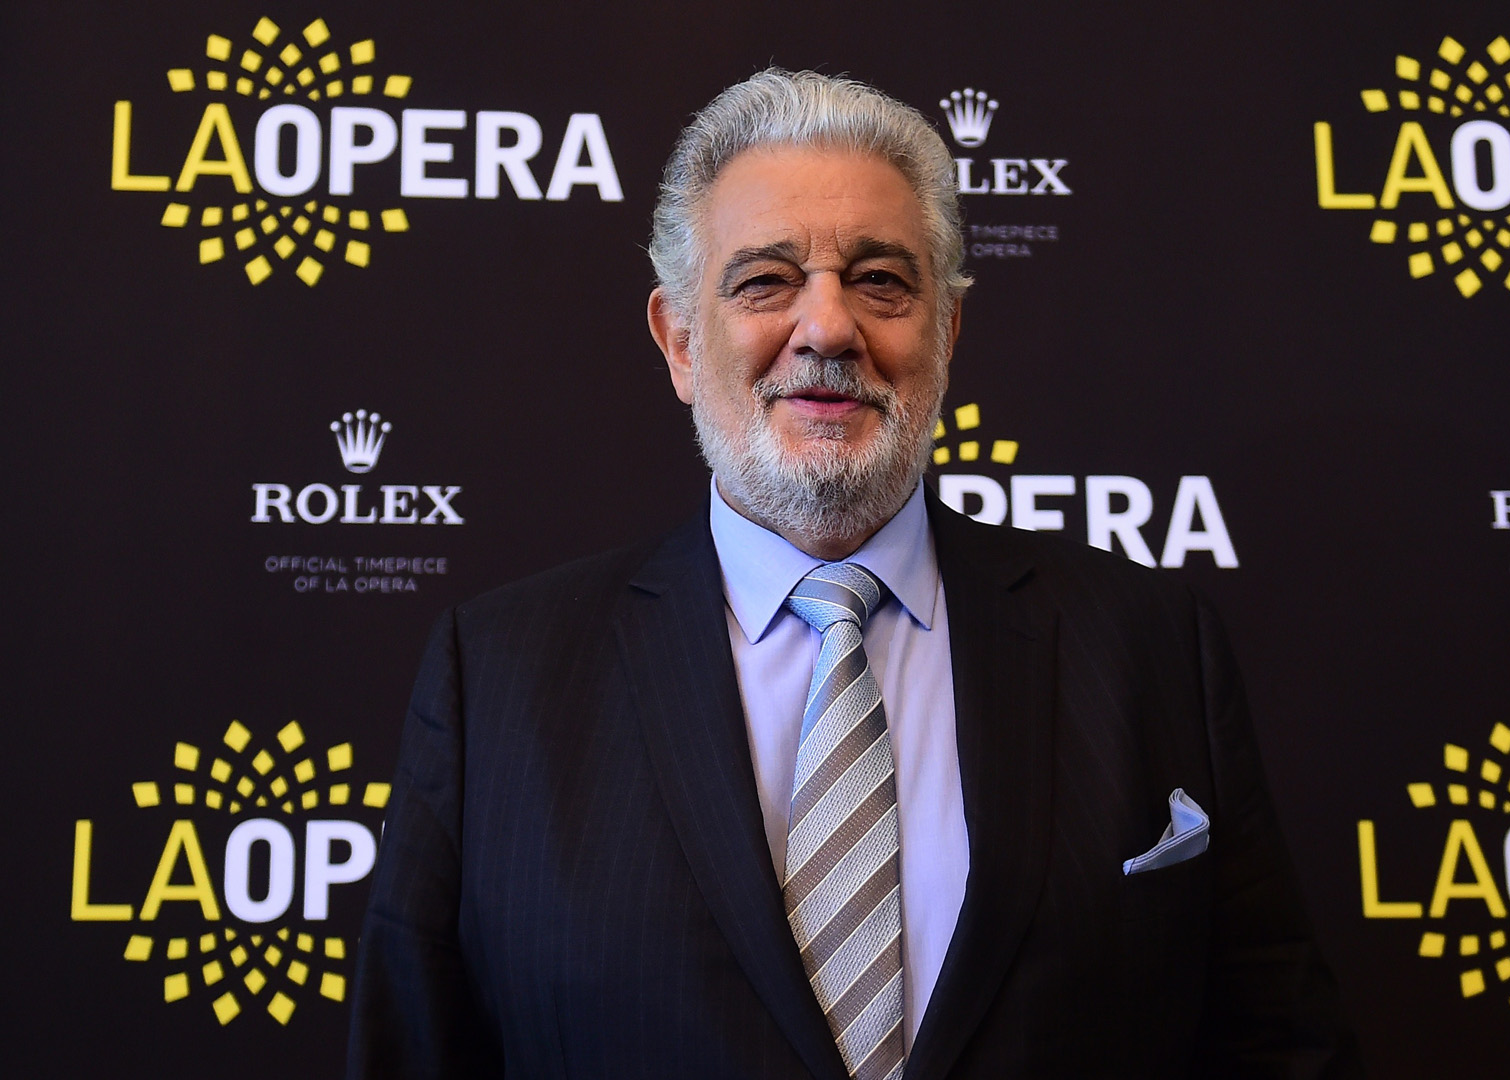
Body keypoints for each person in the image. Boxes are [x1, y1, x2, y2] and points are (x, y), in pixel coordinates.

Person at [346, 68, 1360, 1079]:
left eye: (880, 280)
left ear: (947, 334)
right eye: (765, 282)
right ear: (681, 342)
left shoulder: (1151, 649)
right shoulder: (499, 680)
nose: (828, 329)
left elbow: (1278, 1051)